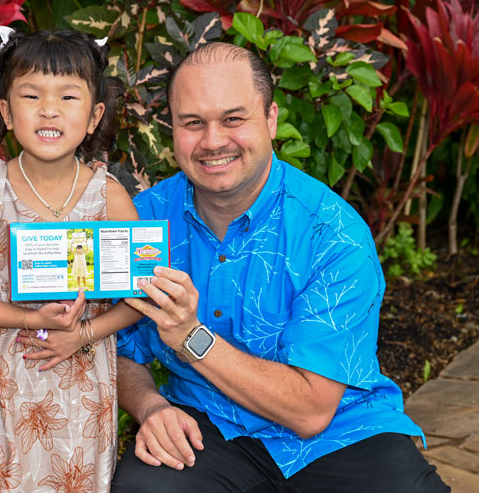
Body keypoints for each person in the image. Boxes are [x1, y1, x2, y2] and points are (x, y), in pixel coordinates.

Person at [111, 42, 450, 493]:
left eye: (234, 119)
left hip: (338, 433)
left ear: (270, 119)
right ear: (172, 129)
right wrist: (150, 407)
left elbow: (310, 411)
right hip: (206, 423)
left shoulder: (332, 234)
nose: (213, 141)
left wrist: (191, 338)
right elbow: (116, 349)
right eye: (193, 123)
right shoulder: (141, 220)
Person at [0, 28, 142, 493]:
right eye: (32, 94)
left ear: (94, 116)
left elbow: (140, 295)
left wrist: (84, 333)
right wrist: (29, 316)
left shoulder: (108, 197)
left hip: (79, 370)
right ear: (8, 112)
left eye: (68, 96)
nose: (49, 109)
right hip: (6, 370)